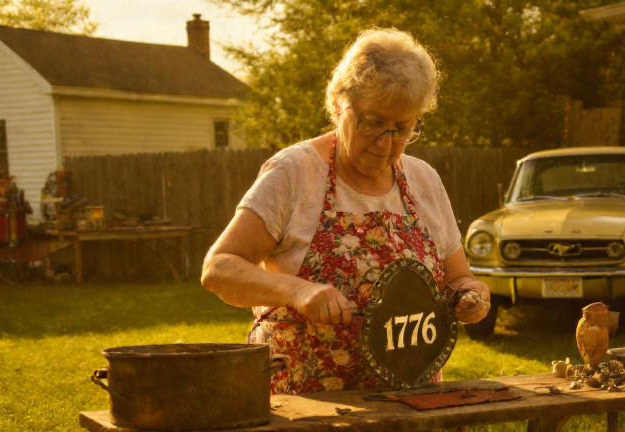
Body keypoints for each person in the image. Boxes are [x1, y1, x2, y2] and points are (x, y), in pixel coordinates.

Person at [201, 27, 491, 395]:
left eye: (403, 128)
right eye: (372, 122)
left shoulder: (424, 181)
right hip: (307, 404)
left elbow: (457, 278)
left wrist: (470, 295)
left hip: (409, 399)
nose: (386, 142)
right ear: (339, 106)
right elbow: (219, 268)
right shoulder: (294, 173)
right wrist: (296, 292)